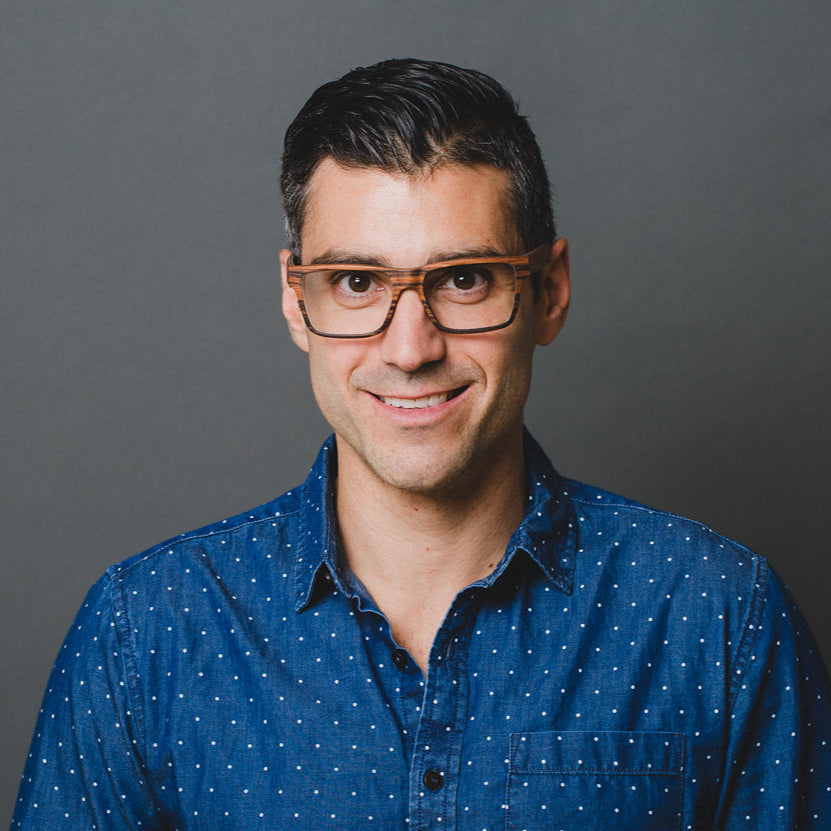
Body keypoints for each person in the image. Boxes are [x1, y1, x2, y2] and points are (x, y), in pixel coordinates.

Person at [10, 58, 831, 831]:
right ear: (297, 303)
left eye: (464, 278)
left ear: (549, 292)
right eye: (357, 282)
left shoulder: (720, 618)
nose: (409, 348)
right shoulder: (145, 632)